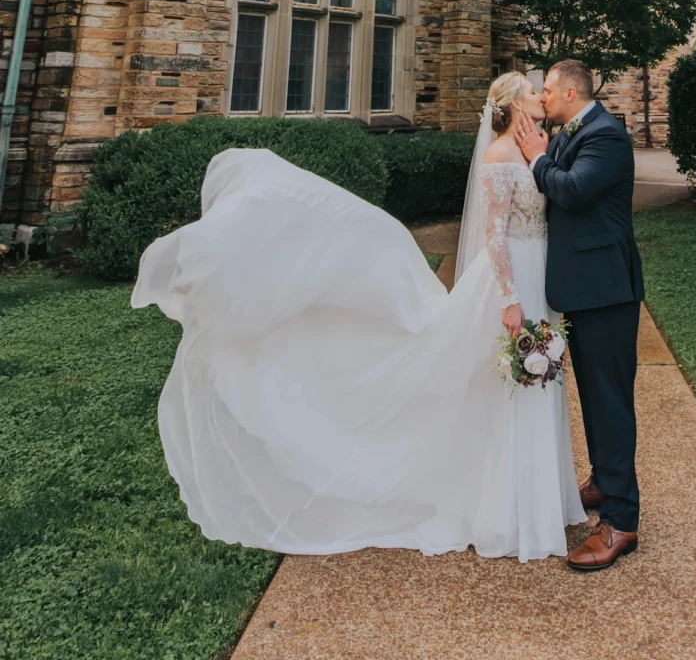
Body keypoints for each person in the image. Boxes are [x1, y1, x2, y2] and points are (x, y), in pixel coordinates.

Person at [131, 73, 585, 562]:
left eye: (544, 89)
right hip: (508, 284)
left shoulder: (535, 147)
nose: (542, 96)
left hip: (537, 276)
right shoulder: (498, 155)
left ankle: (540, 501)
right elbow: (494, 235)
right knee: (506, 386)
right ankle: (507, 510)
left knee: (532, 382)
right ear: (515, 103)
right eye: (534, 91)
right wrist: (510, 298)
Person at [514, 59, 644, 572]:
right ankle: (604, 480)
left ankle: (621, 520)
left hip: (608, 291)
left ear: (570, 92)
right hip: (583, 289)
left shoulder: (606, 137)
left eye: (547, 90)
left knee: (611, 401)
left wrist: (535, 159)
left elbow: (568, 189)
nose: (542, 98)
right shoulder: (573, 129)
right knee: (593, 393)